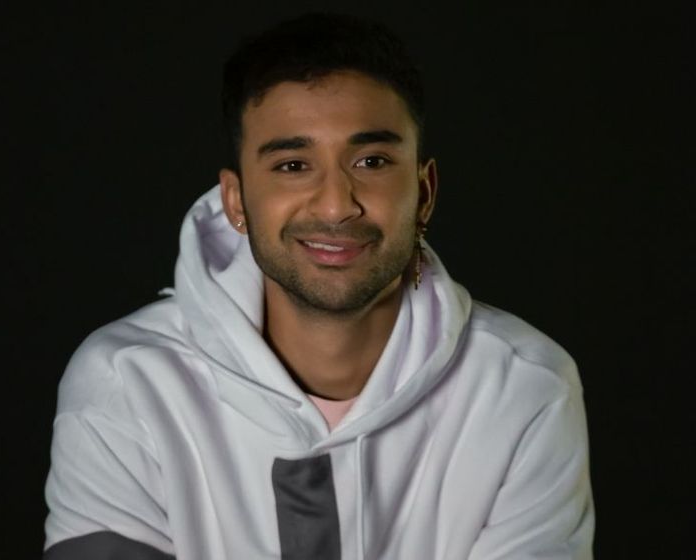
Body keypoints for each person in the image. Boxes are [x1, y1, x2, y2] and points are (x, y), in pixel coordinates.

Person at [42, 12, 594, 560]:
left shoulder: (525, 388)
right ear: (236, 200)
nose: (335, 204)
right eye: (292, 165)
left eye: (372, 160)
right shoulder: (127, 382)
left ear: (424, 192)